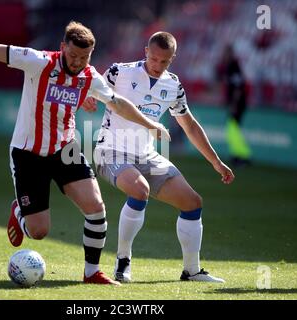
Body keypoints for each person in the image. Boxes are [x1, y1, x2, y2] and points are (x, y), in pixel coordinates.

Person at [0, 21, 170, 285]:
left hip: (64, 150)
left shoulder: (89, 76)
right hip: (28, 155)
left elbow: (118, 104)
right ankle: (20, 212)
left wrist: (150, 125)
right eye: (73, 55)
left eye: (84, 57)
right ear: (62, 47)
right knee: (38, 231)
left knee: (96, 208)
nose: (77, 62)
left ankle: (91, 272)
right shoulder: (37, 62)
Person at [82, 32, 235, 283]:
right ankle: (123, 260)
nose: (156, 65)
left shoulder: (173, 85)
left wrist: (216, 162)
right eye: (153, 58)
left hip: (147, 155)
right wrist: (87, 98)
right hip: (111, 151)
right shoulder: (120, 71)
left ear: (172, 59)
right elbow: (89, 86)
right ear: (145, 51)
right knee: (139, 190)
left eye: (163, 61)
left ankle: (191, 270)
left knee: (192, 202)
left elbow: (190, 126)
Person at [216, 44, 252, 167]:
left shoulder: (234, 67)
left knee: (233, 129)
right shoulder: (229, 67)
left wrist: (234, 104)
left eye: (226, 54)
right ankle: (240, 155)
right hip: (235, 103)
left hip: (238, 103)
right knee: (233, 129)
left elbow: (238, 87)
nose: (224, 56)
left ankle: (240, 156)